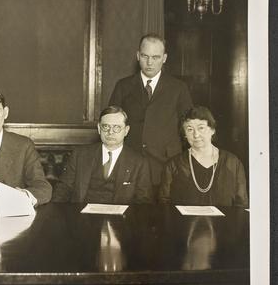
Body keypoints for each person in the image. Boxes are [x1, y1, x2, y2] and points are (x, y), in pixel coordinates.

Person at [108, 33, 193, 190]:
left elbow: (188, 128)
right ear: (138, 56)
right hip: (130, 166)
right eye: (145, 56)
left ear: (164, 58)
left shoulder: (179, 88)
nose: (149, 62)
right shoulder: (123, 86)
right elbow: (111, 125)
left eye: (155, 57)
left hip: (166, 167)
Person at [52, 106, 152, 204]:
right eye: (106, 126)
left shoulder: (139, 162)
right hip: (81, 217)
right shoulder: (80, 155)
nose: (110, 132)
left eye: (116, 127)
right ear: (99, 129)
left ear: (126, 130)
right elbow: (63, 190)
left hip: (120, 219)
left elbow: (143, 202)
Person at [158, 106, 248, 207]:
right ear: (185, 135)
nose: (196, 135)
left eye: (201, 128)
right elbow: (164, 204)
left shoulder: (233, 163)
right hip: (183, 223)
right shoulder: (172, 165)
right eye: (190, 129)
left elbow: (241, 205)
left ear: (212, 130)